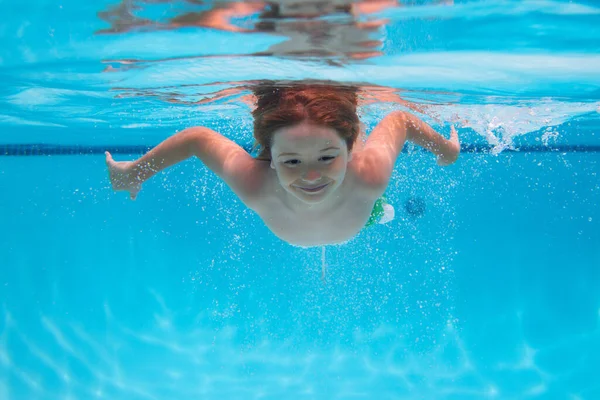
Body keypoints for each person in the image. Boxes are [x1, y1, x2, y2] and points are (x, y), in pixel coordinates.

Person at [105, 82, 459, 247]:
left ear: (350, 150)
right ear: (269, 157)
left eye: (327, 157)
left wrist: (445, 149)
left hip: (359, 212)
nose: (311, 175)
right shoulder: (256, 183)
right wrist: (134, 173)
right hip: (348, 210)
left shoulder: (368, 175)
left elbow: (399, 119)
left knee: (379, 211)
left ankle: (379, 210)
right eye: (291, 160)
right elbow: (198, 139)